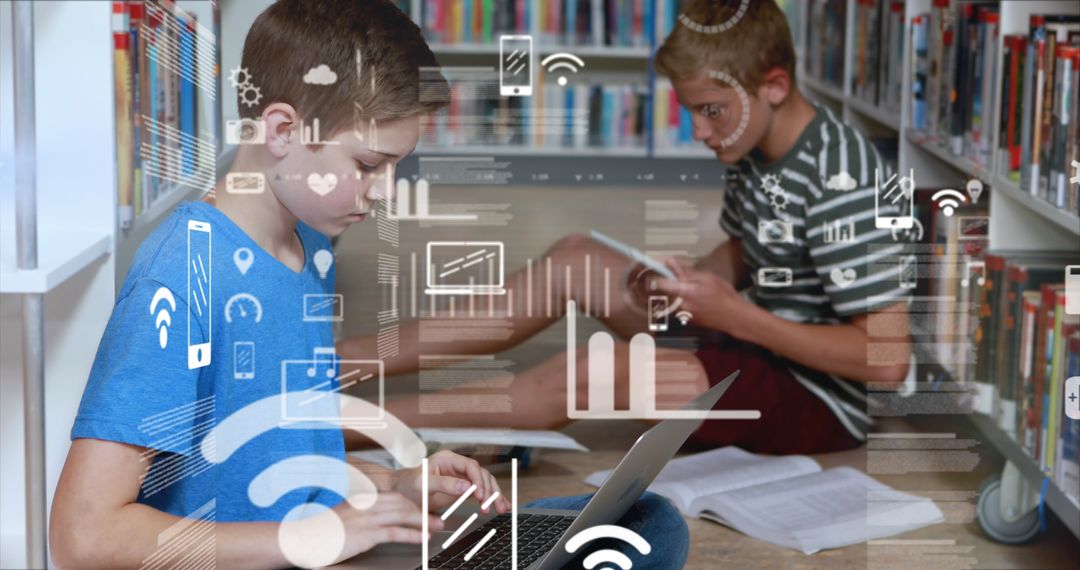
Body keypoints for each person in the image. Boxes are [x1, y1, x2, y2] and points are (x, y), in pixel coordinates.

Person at [49, 1, 688, 568]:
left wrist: (392, 485)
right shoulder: (182, 275)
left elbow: (273, 461)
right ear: (282, 131)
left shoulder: (305, 248)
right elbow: (84, 536)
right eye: (368, 165)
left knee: (645, 521)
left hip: (318, 544)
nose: (384, 192)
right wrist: (308, 538)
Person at [337, 0, 912, 456]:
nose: (699, 131)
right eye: (691, 110)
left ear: (775, 86)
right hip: (754, 340)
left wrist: (736, 315)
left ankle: (332, 426)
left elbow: (888, 361)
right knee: (576, 258)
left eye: (711, 111)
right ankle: (335, 363)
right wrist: (687, 282)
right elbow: (748, 249)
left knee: (601, 369)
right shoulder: (756, 144)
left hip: (817, 396)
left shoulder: (844, 179)